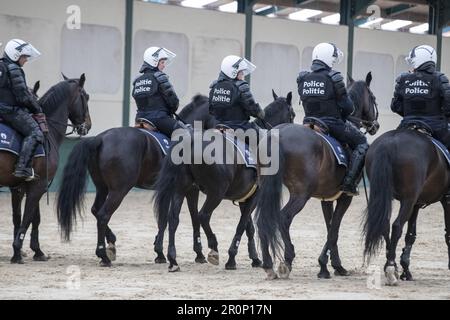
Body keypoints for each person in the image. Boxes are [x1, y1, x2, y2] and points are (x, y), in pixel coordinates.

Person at [297, 42, 368, 196]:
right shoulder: (334, 77)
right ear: (329, 59)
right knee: (362, 142)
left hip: (308, 122)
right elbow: (349, 107)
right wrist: (342, 118)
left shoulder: (303, 77)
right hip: (332, 123)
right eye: (334, 59)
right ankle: (349, 183)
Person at [0, 39, 46, 181]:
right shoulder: (14, 69)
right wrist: (38, 109)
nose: (26, 60)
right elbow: (23, 97)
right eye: (24, 56)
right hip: (10, 111)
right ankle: (23, 168)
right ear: (15, 55)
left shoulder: (2, 66)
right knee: (36, 133)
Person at [391, 44, 450, 150]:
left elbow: (395, 107)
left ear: (417, 61)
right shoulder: (441, 79)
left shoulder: (402, 79)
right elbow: (448, 106)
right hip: (436, 127)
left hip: (407, 124)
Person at [132, 46, 186, 137]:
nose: (164, 65)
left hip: (139, 119)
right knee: (185, 134)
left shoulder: (137, 80)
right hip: (159, 119)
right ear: (154, 62)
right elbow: (173, 103)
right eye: (162, 62)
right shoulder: (160, 77)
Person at [208, 55, 264, 132]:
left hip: (218, 126)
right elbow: (253, 109)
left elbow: (211, 110)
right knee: (265, 139)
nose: (242, 76)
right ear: (233, 73)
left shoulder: (214, 86)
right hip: (240, 127)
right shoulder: (241, 86)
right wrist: (260, 113)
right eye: (241, 73)